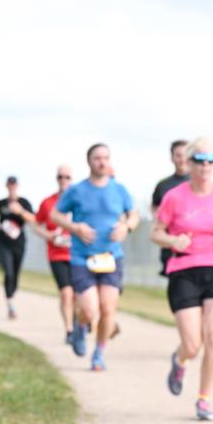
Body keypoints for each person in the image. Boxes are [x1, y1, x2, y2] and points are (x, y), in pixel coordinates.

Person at [153, 138, 213, 420]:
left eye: (210, 160)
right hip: (184, 270)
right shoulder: (174, 197)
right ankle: (180, 360)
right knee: (192, 344)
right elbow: (155, 233)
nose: (205, 165)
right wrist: (172, 240)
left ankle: (204, 400)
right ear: (189, 163)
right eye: (200, 160)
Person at [52, 143, 138, 371]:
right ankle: (81, 327)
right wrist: (75, 227)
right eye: (97, 158)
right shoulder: (77, 190)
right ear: (89, 161)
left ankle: (99, 353)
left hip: (111, 257)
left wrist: (126, 227)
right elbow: (55, 215)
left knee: (108, 309)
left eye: (105, 158)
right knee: (90, 310)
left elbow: (134, 215)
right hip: (83, 257)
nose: (102, 162)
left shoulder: (119, 190)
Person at [36, 166, 78, 349]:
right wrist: (49, 236)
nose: (64, 180)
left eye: (67, 177)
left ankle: (78, 323)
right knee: (66, 293)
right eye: (61, 177)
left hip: (77, 254)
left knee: (78, 295)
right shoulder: (48, 203)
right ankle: (69, 329)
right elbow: (37, 225)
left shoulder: (79, 201)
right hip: (57, 254)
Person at [0, 177, 36, 320]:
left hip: (19, 243)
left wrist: (20, 211)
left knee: (15, 273)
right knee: (8, 272)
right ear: (6, 186)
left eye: (14, 184)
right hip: (4, 243)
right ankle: (10, 303)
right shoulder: (1, 203)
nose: (12, 187)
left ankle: (12, 292)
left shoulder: (23, 202)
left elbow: (34, 219)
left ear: (17, 186)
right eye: (9, 184)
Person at [151, 140, 190, 276]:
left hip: (199, 246)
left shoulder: (200, 182)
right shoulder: (163, 185)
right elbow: (155, 208)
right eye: (178, 155)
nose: (182, 159)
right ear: (172, 157)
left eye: (185, 154)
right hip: (171, 246)